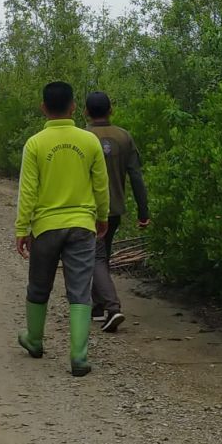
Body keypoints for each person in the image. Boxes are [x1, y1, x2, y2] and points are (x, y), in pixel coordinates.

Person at [15, 82, 109, 377]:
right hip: (82, 225)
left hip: (45, 227)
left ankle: (34, 340)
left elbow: (28, 191)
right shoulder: (89, 141)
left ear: (43, 108)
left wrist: (22, 227)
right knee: (80, 291)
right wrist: (102, 216)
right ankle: (79, 357)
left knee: (39, 285)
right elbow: (101, 186)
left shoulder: (35, 143)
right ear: (72, 107)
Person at [85, 91, 150, 333]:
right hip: (114, 209)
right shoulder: (124, 137)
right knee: (102, 255)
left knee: (95, 257)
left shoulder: (83, 137)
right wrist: (144, 212)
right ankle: (98, 306)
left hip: (88, 208)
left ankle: (112, 307)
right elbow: (136, 176)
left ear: (86, 112)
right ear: (111, 110)